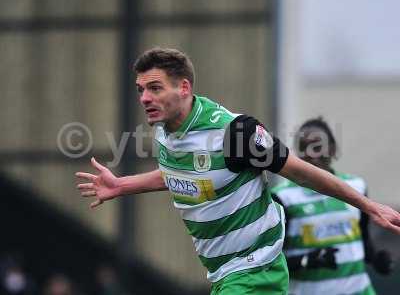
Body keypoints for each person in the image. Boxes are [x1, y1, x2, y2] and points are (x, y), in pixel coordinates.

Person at [76, 48, 400, 295]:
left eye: (155, 88)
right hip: (224, 273)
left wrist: (366, 205)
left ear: (184, 87)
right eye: (141, 89)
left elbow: (300, 172)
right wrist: (122, 185)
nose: (145, 97)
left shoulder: (236, 133)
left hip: (256, 267)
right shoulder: (165, 131)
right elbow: (184, 175)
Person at [272, 118, 393, 295]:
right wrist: (307, 260)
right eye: (305, 147)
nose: (312, 154)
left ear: (333, 149)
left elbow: (363, 241)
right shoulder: (283, 197)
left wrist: (376, 259)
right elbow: (271, 261)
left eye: (318, 146)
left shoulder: (357, 188)